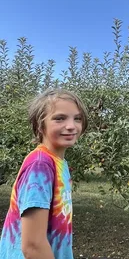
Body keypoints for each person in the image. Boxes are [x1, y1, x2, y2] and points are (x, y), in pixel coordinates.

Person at [0, 88, 88, 259]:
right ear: (40, 125)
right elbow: (33, 245)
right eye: (59, 118)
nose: (71, 126)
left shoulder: (57, 162)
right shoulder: (40, 166)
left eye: (77, 118)